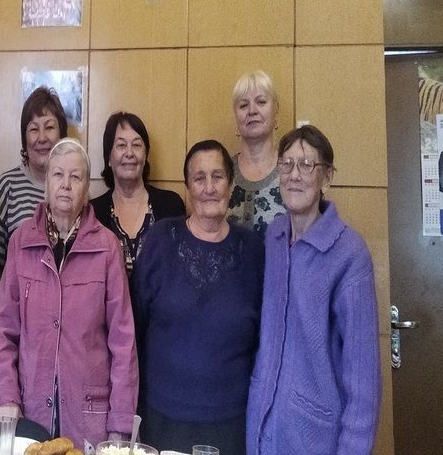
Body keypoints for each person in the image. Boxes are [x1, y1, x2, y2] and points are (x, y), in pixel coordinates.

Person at [0, 138, 138, 446]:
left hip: (89, 418)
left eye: (76, 176)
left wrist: (120, 424)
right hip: (29, 413)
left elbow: (123, 342)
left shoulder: (107, 247)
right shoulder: (21, 242)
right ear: (46, 184)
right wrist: (6, 396)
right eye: (58, 174)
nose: (66, 185)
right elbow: (2, 329)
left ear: (87, 189)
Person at [246, 125, 380, 455]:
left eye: (307, 165)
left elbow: (363, 380)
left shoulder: (349, 254)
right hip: (262, 428)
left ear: (327, 178)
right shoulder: (275, 237)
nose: (294, 175)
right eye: (287, 164)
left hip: (314, 436)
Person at [133, 140, 264, 454]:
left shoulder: (253, 250)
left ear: (230, 185)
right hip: (162, 417)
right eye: (199, 178)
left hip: (231, 421)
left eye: (217, 177)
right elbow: (134, 325)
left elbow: (265, 337)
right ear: (188, 187)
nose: (209, 188)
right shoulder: (160, 239)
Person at [0, 86, 68, 280]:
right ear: (24, 137)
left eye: (49, 127)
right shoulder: (8, 185)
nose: (42, 138)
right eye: (34, 129)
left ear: (61, 135)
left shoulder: (72, 188)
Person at [90, 112, 186, 277]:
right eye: (121, 145)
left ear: (145, 155)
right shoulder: (93, 213)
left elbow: (181, 270)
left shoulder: (171, 205)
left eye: (136, 145)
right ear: (109, 158)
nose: (129, 153)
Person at [227, 70, 285, 239]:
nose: (252, 110)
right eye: (243, 105)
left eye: (261, 102)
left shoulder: (292, 172)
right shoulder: (222, 174)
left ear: (276, 109)